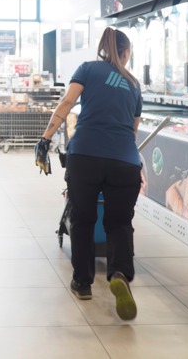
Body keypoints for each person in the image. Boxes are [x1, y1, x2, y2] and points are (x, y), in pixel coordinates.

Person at [39, 27, 142, 321]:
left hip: (84, 155)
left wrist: (45, 138)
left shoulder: (87, 69)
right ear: (126, 52)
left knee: (83, 219)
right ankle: (119, 273)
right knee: (120, 223)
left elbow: (67, 103)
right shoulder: (133, 84)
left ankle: (83, 282)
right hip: (124, 160)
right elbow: (133, 130)